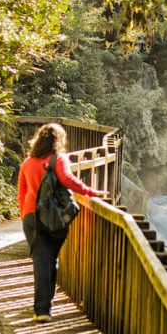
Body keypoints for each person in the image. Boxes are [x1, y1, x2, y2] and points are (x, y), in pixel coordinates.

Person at [18, 122, 106, 322]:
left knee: (42, 260)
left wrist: (25, 216)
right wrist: (91, 192)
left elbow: (21, 194)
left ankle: (43, 307)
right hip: (55, 217)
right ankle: (43, 308)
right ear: (58, 140)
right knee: (50, 259)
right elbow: (68, 180)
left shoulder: (27, 162)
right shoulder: (58, 159)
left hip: (31, 217)